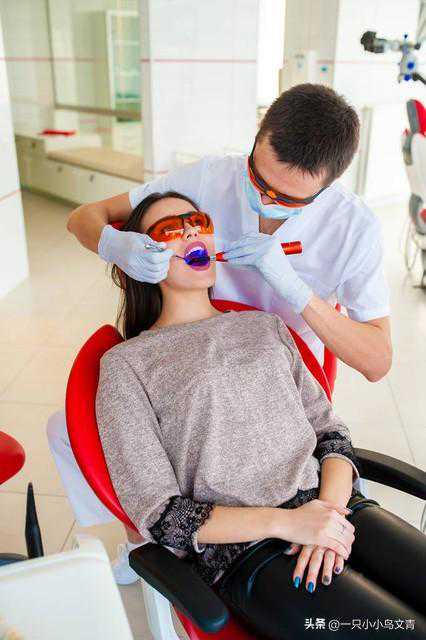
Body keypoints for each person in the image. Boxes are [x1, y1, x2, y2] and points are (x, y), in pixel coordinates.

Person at [47, 83, 393, 583]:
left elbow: (374, 366)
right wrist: (112, 244)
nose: (266, 200)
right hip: (208, 412)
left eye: (287, 198)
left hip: (278, 368)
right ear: (256, 138)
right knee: (69, 429)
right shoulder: (208, 177)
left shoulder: (352, 228)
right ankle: (141, 551)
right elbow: (85, 217)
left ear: (326, 188)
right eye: (259, 180)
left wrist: (298, 293)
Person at [95, 192, 426, 640]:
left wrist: (328, 516)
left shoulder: (265, 326)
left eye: (197, 221)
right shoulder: (127, 364)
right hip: (251, 553)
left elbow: (331, 434)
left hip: (342, 511)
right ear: (139, 258)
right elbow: (161, 515)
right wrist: (289, 523)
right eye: (171, 229)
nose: (191, 231)